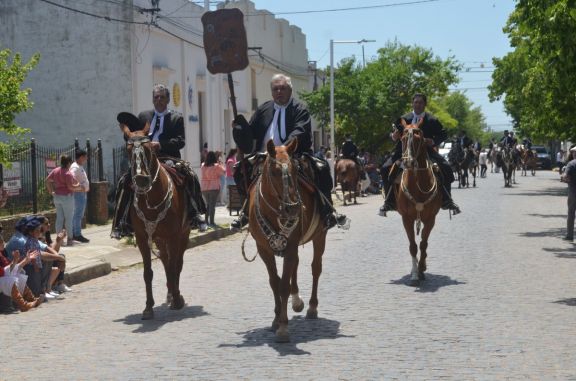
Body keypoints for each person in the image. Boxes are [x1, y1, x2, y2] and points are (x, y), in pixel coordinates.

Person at [230, 73, 347, 230]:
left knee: (322, 168)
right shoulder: (263, 109)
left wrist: (283, 149)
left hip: (293, 154)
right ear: (272, 92)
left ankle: (327, 212)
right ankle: (245, 212)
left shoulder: (300, 109)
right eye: (276, 89)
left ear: (290, 90)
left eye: (283, 88)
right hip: (265, 156)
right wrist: (240, 129)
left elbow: (299, 131)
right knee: (239, 170)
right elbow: (251, 133)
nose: (279, 92)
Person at [111, 84, 207, 238]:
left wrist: (160, 144)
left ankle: (195, 214)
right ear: (153, 99)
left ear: (168, 99)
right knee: (125, 181)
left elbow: (180, 141)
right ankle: (120, 222)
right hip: (145, 160)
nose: (159, 100)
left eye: (162, 97)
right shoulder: (143, 116)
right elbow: (133, 135)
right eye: (156, 97)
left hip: (168, 157)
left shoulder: (176, 118)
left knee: (189, 175)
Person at [380, 93, 461, 215]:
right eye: (416, 102)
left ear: (425, 104)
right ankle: (389, 202)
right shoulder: (403, 119)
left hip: (426, 152)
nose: (418, 104)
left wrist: (432, 141)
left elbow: (443, 134)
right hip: (403, 152)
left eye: (420, 102)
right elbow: (394, 134)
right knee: (385, 169)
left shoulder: (432, 120)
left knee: (446, 167)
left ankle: (447, 200)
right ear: (412, 103)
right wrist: (394, 136)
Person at [46, 154, 82, 247]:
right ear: (69, 163)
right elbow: (70, 187)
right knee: (69, 219)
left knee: (59, 218)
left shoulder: (56, 170)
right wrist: (78, 186)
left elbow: (47, 180)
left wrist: (51, 192)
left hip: (57, 196)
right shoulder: (68, 173)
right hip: (67, 197)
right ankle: (70, 239)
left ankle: (59, 240)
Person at [200, 151, 226, 227]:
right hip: (214, 187)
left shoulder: (202, 165)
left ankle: (206, 221)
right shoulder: (216, 166)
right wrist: (220, 163)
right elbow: (223, 172)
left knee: (208, 205)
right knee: (212, 205)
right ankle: (211, 222)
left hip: (204, 187)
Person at [70, 149, 90, 243]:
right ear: (81, 157)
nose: (86, 158)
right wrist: (79, 187)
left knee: (79, 214)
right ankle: (77, 234)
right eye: (85, 157)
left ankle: (75, 233)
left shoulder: (79, 166)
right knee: (78, 214)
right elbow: (71, 178)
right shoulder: (75, 167)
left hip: (81, 193)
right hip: (78, 194)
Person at [560, 146, 576, 241]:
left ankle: (570, 236)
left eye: (573, 152)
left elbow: (566, 177)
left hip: (573, 191)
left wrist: (563, 177)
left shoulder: (571, 164)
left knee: (571, 213)